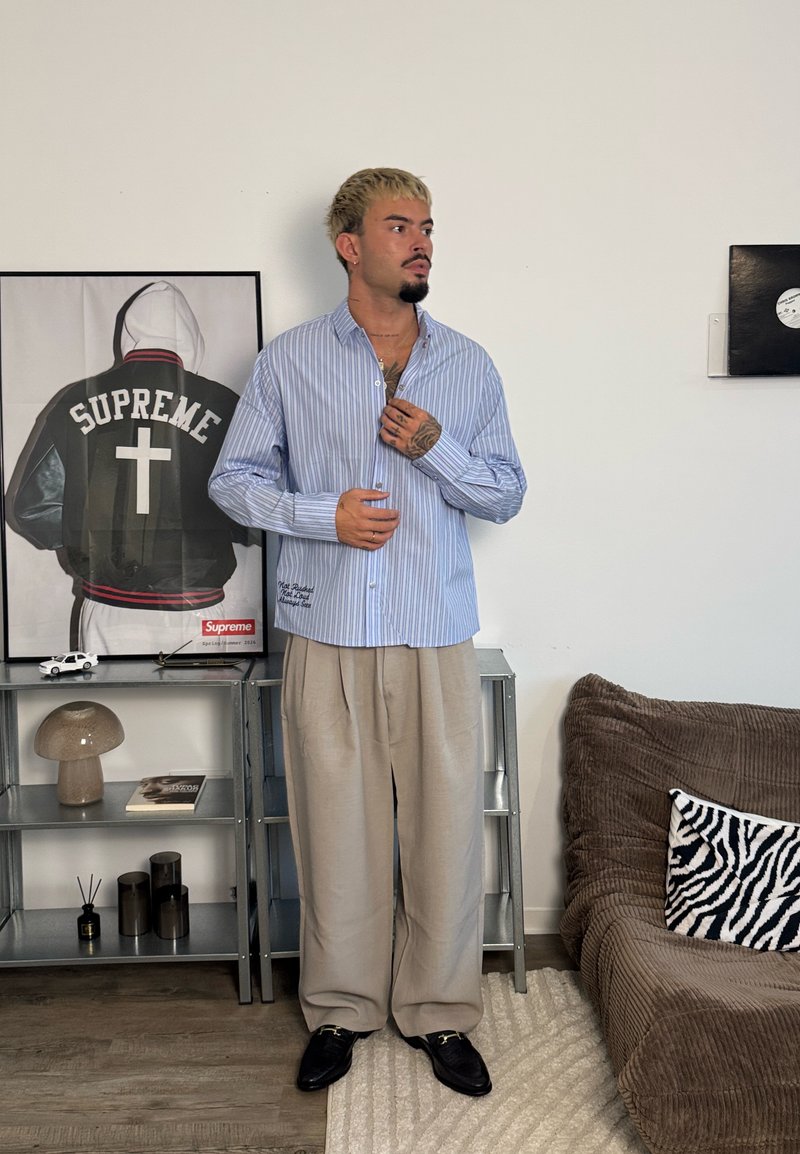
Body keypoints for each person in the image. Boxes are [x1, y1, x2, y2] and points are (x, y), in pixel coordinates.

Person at [209, 167, 526, 1097]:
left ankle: (438, 1014)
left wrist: (439, 449)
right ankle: (343, 1009)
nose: (422, 240)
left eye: (428, 225)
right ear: (349, 243)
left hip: (434, 633)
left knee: (443, 835)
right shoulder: (289, 362)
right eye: (400, 225)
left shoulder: (467, 366)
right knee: (334, 833)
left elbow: (506, 493)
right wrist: (322, 517)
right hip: (329, 631)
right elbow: (233, 481)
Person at [6, 280, 253, 655]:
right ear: (191, 339)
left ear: (127, 337)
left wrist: (94, 542)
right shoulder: (223, 405)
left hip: (107, 607)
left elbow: (31, 508)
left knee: (109, 712)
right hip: (198, 608)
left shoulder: (77, 400)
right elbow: (254, 509)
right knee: (200, 714)